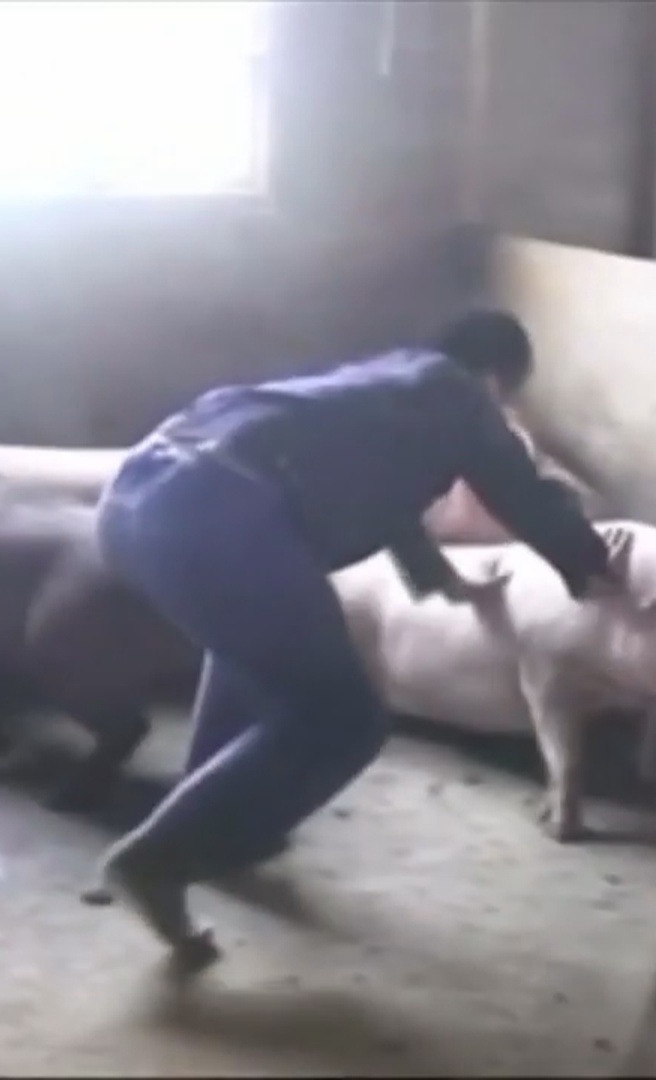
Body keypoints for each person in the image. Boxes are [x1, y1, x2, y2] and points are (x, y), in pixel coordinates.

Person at [91, 308, 624, 963]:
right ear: (495, 379)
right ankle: (156, 860)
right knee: (343, 718)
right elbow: (521, 488)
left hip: (134, 502)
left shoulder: (383, 386)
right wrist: (591, 562)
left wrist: (439, 582)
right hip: (219, 508)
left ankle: (219, 827)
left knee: (251, 656)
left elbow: (387, 501)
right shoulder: (458, 393)